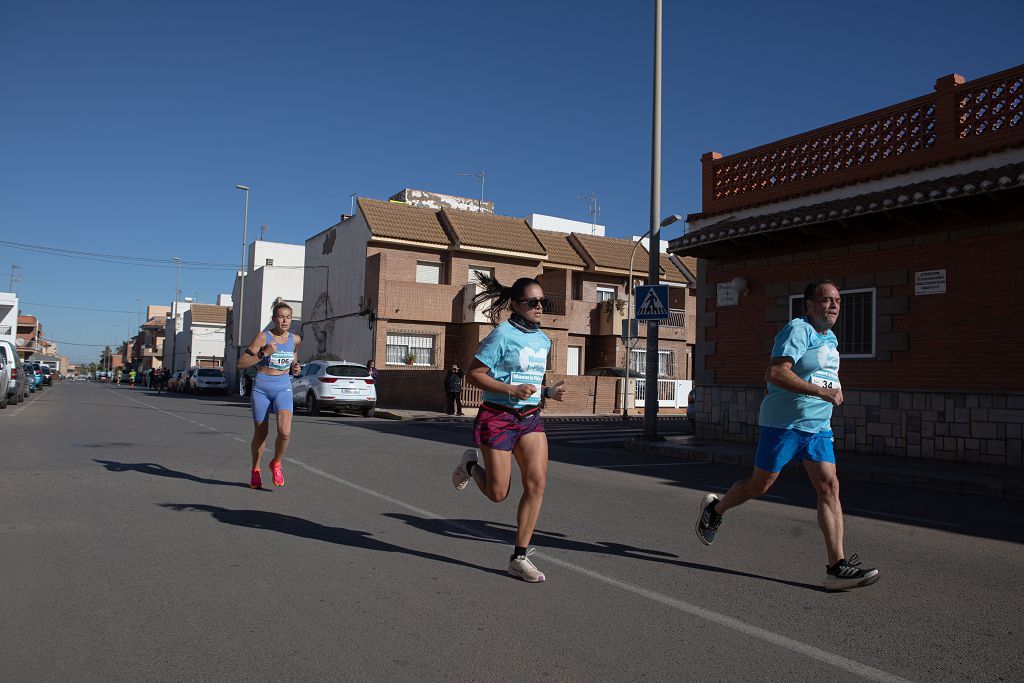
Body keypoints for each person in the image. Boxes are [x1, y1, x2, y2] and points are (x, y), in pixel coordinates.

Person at [695, 279, 880, 592]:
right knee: (761, 484)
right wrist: (821, 391)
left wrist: (834, 388)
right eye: (825, 300)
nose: (834, 306)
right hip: (784, 425)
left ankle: (837, 567)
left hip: (818, 427)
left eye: (837, 300)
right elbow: (776, 373)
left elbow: (824, 374)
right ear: (809, 305)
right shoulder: (798, 330)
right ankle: (715, 510)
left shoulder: (831, 339)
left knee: (830, 487)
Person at [451, 275, 566, 582]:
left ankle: (519, 557)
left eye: (543, 302)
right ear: (515, 305)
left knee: (537, 484)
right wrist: (509, 390)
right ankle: (471, 465)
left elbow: (531, 378)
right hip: (497, 417)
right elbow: (474, 374)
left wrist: (547, 392)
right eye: (532, 302)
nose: (539, 307)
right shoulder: (502, 334)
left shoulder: (542, 339)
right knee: (498, 492)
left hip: (529, 419)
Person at [236, 298, 302, 489]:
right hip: (262, 387)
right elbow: (241, 363)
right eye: (281, 317)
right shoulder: (263, 338)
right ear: (274, 319)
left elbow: (293, 361)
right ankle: (255, 470)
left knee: (285, 432)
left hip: (283, 387)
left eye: (288, 317)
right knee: (261, 432)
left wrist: (295, 369)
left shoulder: (294, 339)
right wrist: (263, 353)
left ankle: (276, 462)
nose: (285, 321)